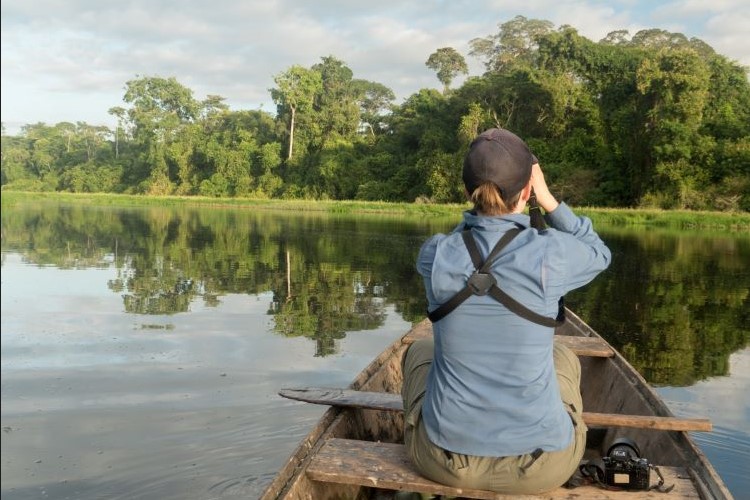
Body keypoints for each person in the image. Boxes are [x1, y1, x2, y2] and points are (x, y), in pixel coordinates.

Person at [401, 127, 612, 495]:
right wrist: (548, 201)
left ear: (468, 192)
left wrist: (477, 217)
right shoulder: (552, 253)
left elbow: (459, 240)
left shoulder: (434, 254)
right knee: (562, 355)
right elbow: (599, 253)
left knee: (419, 351)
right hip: (541, 467)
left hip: (445, 462)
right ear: (528, 189)